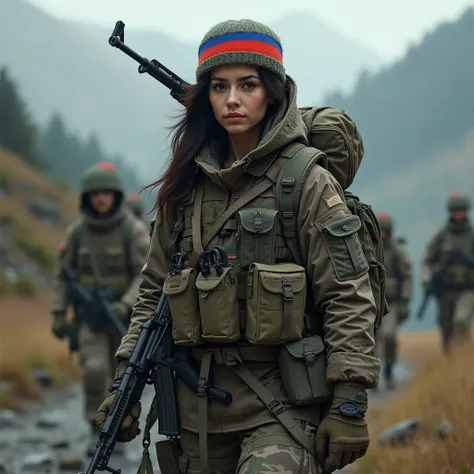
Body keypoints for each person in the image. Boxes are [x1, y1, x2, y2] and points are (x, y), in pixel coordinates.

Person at [96, 19, 380, 474]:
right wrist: (124, 381)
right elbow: (152, 291)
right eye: (219, 86)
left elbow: (346, 293)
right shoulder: (185, 185)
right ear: (205, 96)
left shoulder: (305, 180)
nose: (232, 100)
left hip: (281, 405)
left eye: (248, 85)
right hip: (196, 411)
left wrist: (350, 399)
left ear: (272, 91)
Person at [50, 161, 150, 455]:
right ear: (87, 198)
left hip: (124, 319)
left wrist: (125, 304)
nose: (101, 199)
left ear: (116, 195)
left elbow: (145, 273)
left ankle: (117, 429)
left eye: (106, 193)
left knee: (122, 378)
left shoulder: (132, 230)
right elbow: (62, 277)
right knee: (94, 371)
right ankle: (95, 429)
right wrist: (58, 314)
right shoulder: (77, 232)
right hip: (89, 320)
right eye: (95, 194)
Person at [421, 191, 474, 353]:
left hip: (467, 288)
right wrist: (427, 280)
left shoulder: (472, 235)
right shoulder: (441, 236)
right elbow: (428, 261)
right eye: (456, 211)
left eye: (462, 211)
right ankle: (451, 361)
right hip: (445, 291)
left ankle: (464, 355)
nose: (459, 214)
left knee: (461, 320)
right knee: (446, 329)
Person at [375, 213, 412, 390]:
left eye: (386, 231)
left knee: (389, 336)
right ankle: (372, 376)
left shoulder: (397, 250)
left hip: (392, 303)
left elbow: (406, 277)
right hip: (372, 302)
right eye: (380, 231)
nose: (382, 234)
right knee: (372, 339)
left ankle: (389, 370)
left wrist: (405, 301)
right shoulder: (368, 248)